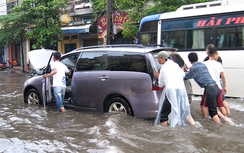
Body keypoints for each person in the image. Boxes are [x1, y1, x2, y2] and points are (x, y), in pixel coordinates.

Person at [153, 51, 197, 127]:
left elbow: (161, 84)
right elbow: (183, 75)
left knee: (164, 114)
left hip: (171, 91)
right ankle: (194, 125)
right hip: (181, 90)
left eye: (158, 59)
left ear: (163, 59)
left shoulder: (163, 69)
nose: (157, 60)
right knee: (183, 109)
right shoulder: (176, 65)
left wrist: (159, 76)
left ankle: (164, 132)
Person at [184, 52, 222, 124]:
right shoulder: (202, 64)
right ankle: (226, 120)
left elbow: (185, 77)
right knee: (214, 108)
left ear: (189, 60)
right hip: (216, 88)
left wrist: (185, 71)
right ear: (197, 58)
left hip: (210, 90)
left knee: (212, 112)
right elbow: (196, 70)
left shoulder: (193, 68)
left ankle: (219, 127)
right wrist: (189, 69)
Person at [204, 44, 231, 116]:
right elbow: (223, 77)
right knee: (221, 103)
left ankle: (207, 118)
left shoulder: (205, 62)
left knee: (205, 105)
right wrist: (225, 86)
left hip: (211, 86)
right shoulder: (219, 62)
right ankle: (227, 116)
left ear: (208, 50)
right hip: (219, 85)